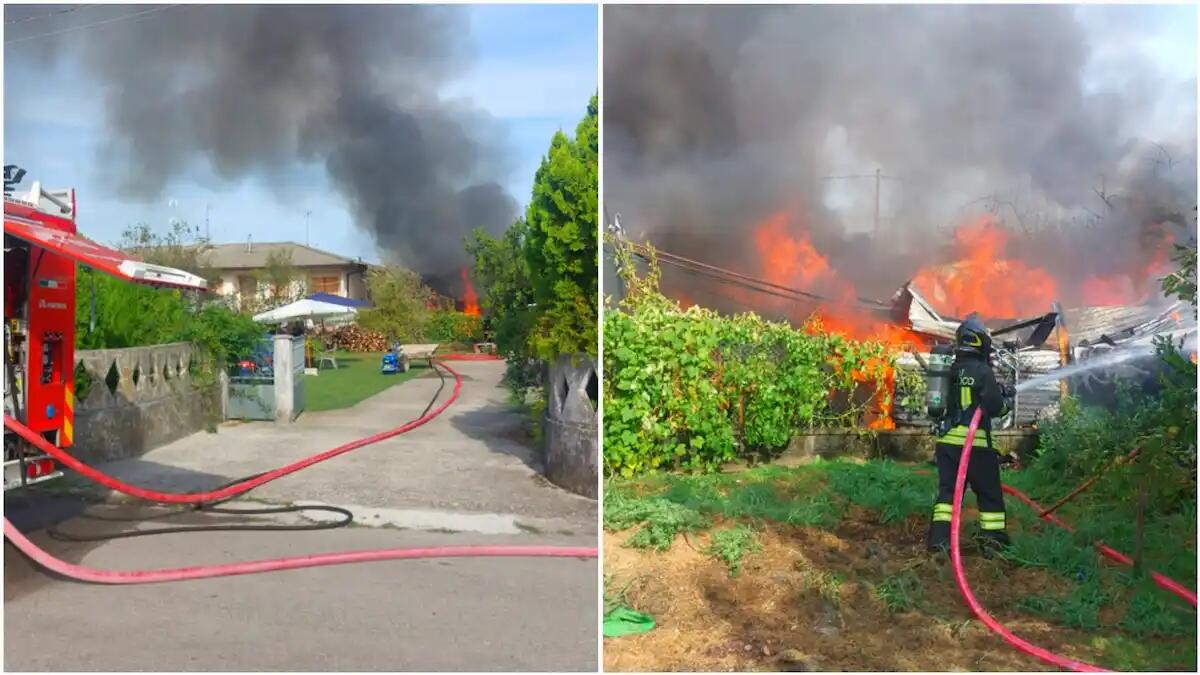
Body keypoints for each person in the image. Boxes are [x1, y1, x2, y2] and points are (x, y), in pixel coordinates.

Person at [926, 314, 1016, 555]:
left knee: (948, 493)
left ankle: (938, 541)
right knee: (989, 494)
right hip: (975, 446)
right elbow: (995, 407)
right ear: (980, 342)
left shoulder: (950, 369)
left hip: (946, 444)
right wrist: (1006, 400)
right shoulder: (983, 371)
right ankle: (993, 541)